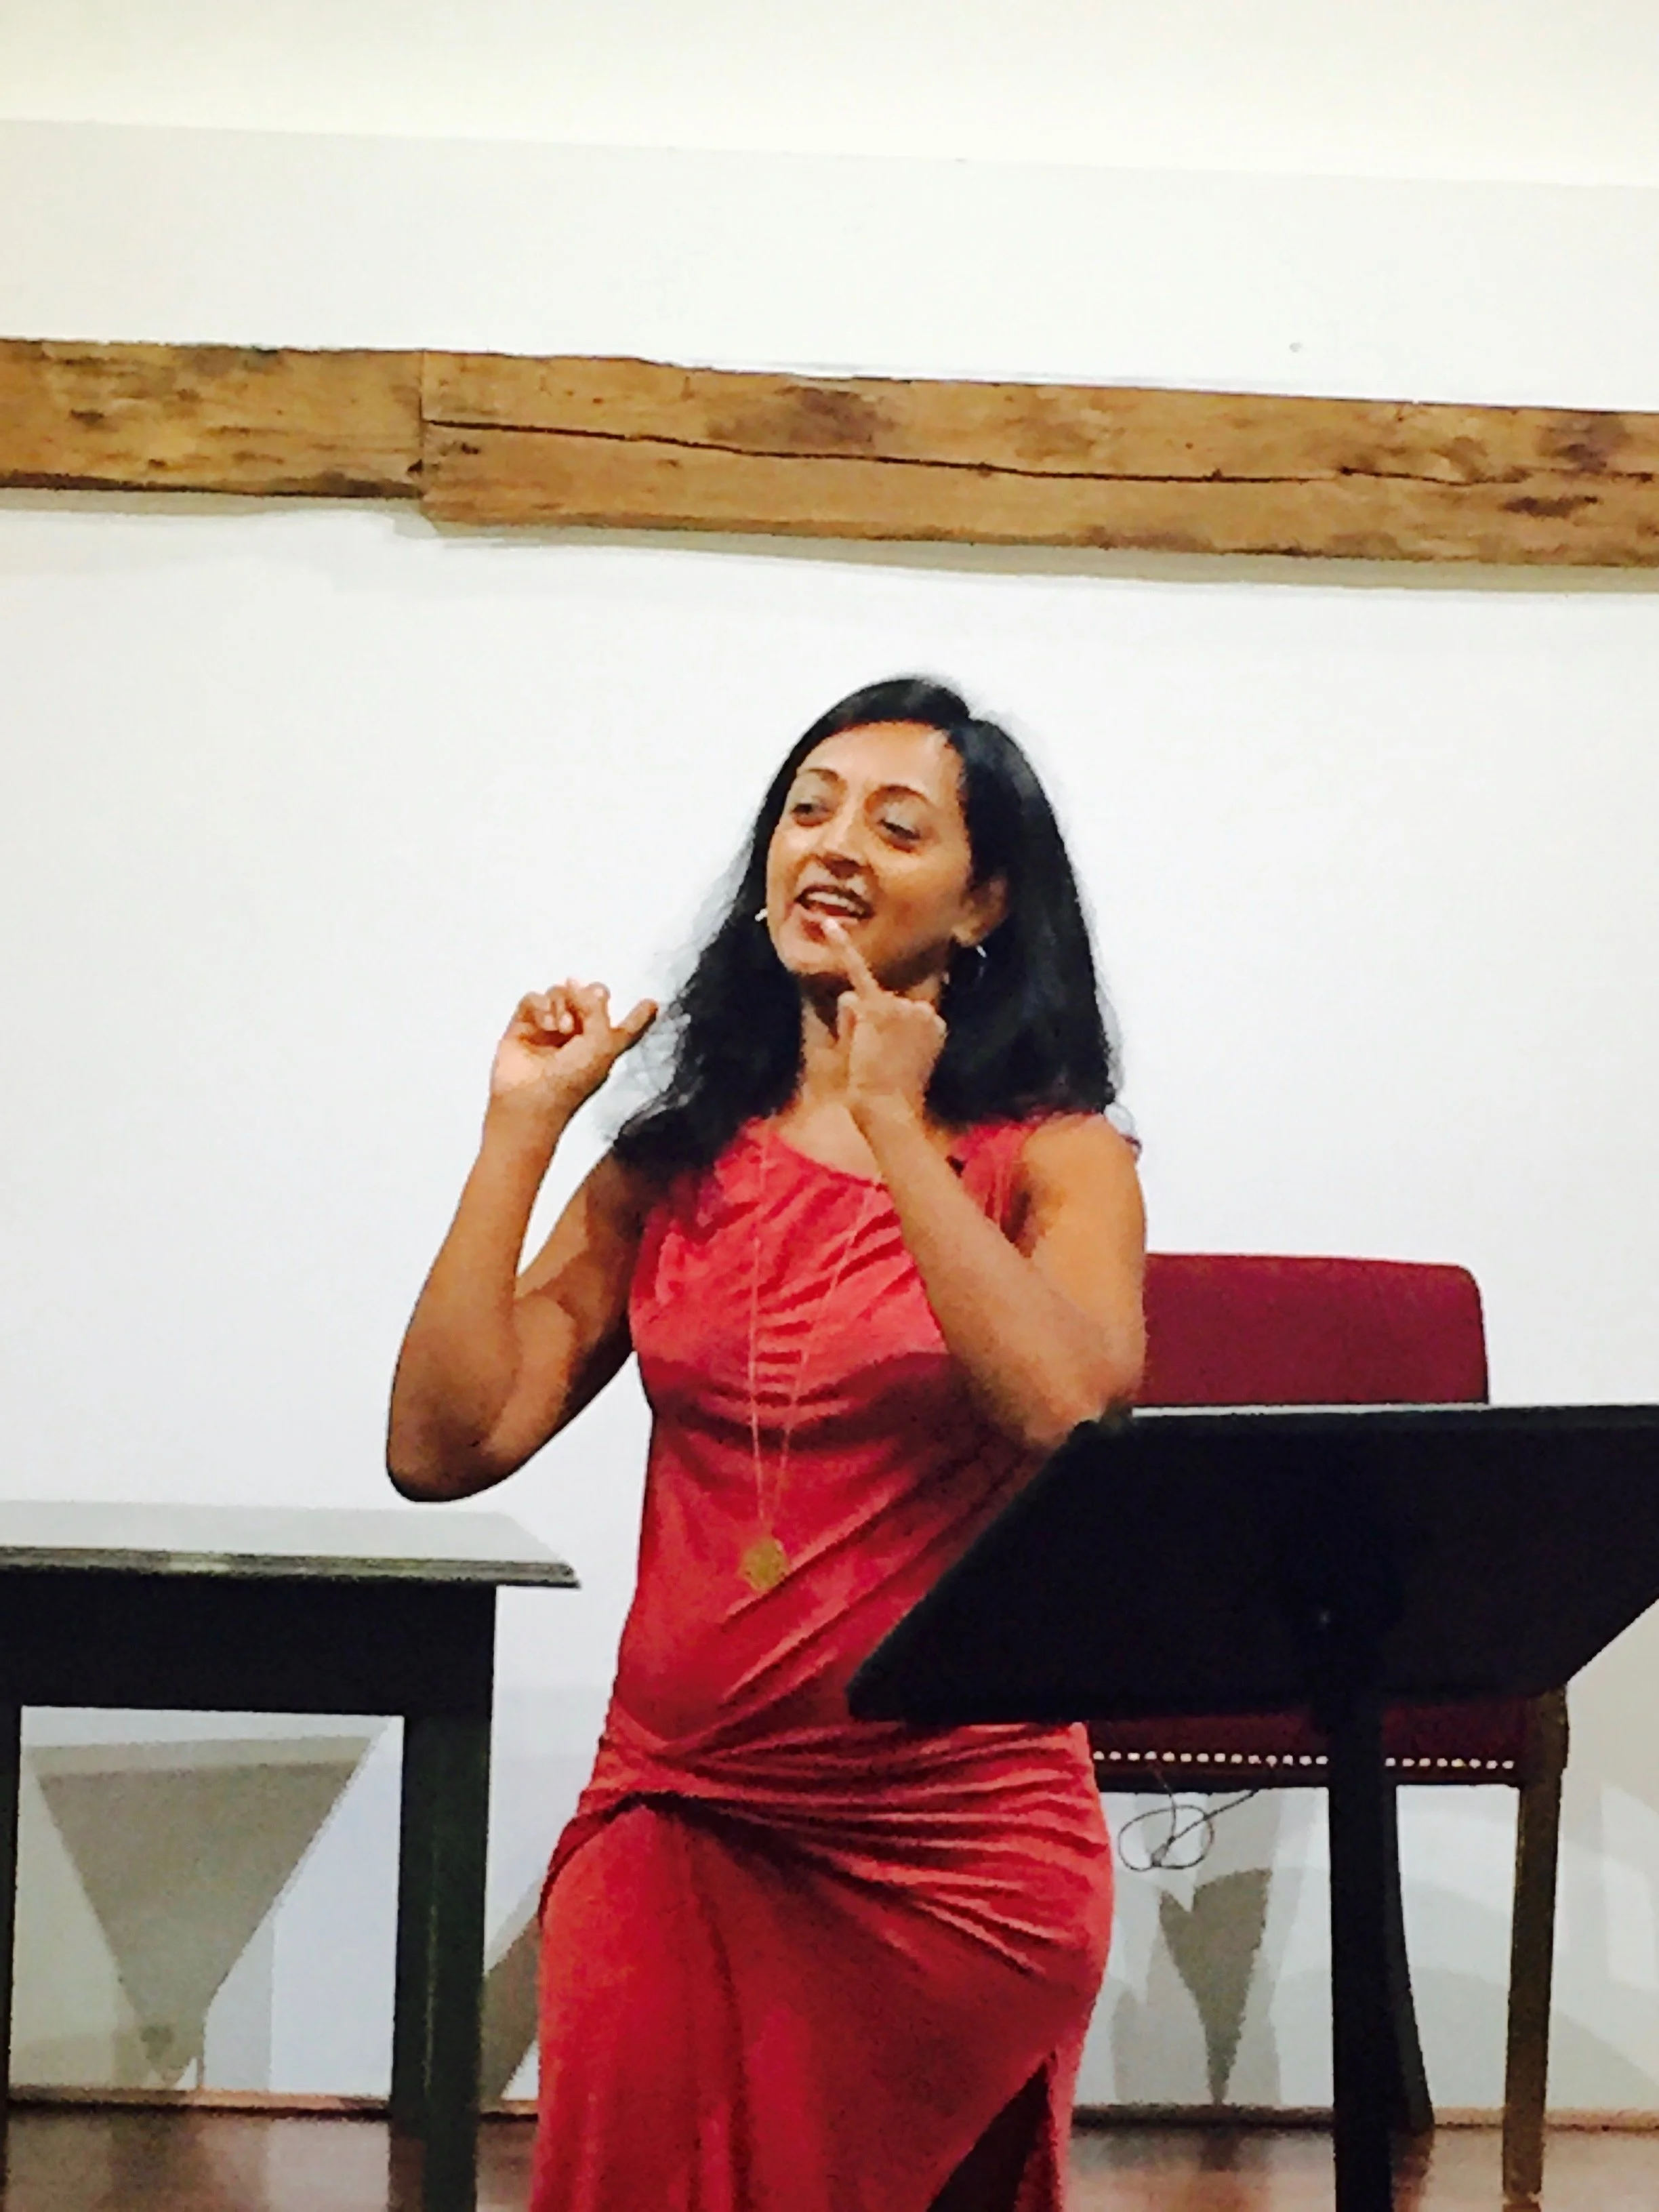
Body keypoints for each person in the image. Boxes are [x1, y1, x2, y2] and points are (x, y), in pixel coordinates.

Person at [387, 676, 1146, 2212]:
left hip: (955, 1851)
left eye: (896, 822)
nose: (834, 846)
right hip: (680, 1813)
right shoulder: (669, 1166)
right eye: (806, 810)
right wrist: (521, 1134)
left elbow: (1073, 1416)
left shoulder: (1057, 1158)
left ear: (986, 899)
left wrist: (894, 1128)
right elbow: (445, 1442)